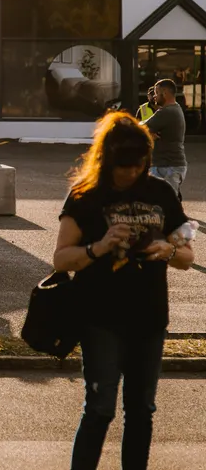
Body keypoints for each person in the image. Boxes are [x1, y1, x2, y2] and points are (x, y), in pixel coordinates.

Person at [53, 112, 193, 470]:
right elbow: (61, 259)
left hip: (149, 318)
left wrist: (169, 251)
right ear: (106, 159)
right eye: (123, 167)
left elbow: (187, 257)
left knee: (142, 410)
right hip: (99, 318)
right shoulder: (85, 196)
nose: (131, 173)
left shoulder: (161, 192)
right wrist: (98, 247)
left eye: (138, 165)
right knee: (100, 409)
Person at [142, 79, 187, 199]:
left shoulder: (167, 112)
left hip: (167, 167)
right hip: (166, 166)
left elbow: (140, 127)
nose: (154, 96)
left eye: (157, 92)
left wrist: (145, 131)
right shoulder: (174, 109)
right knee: (159, 203)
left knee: (166, 203)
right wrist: (149, 133)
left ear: (165, 93)